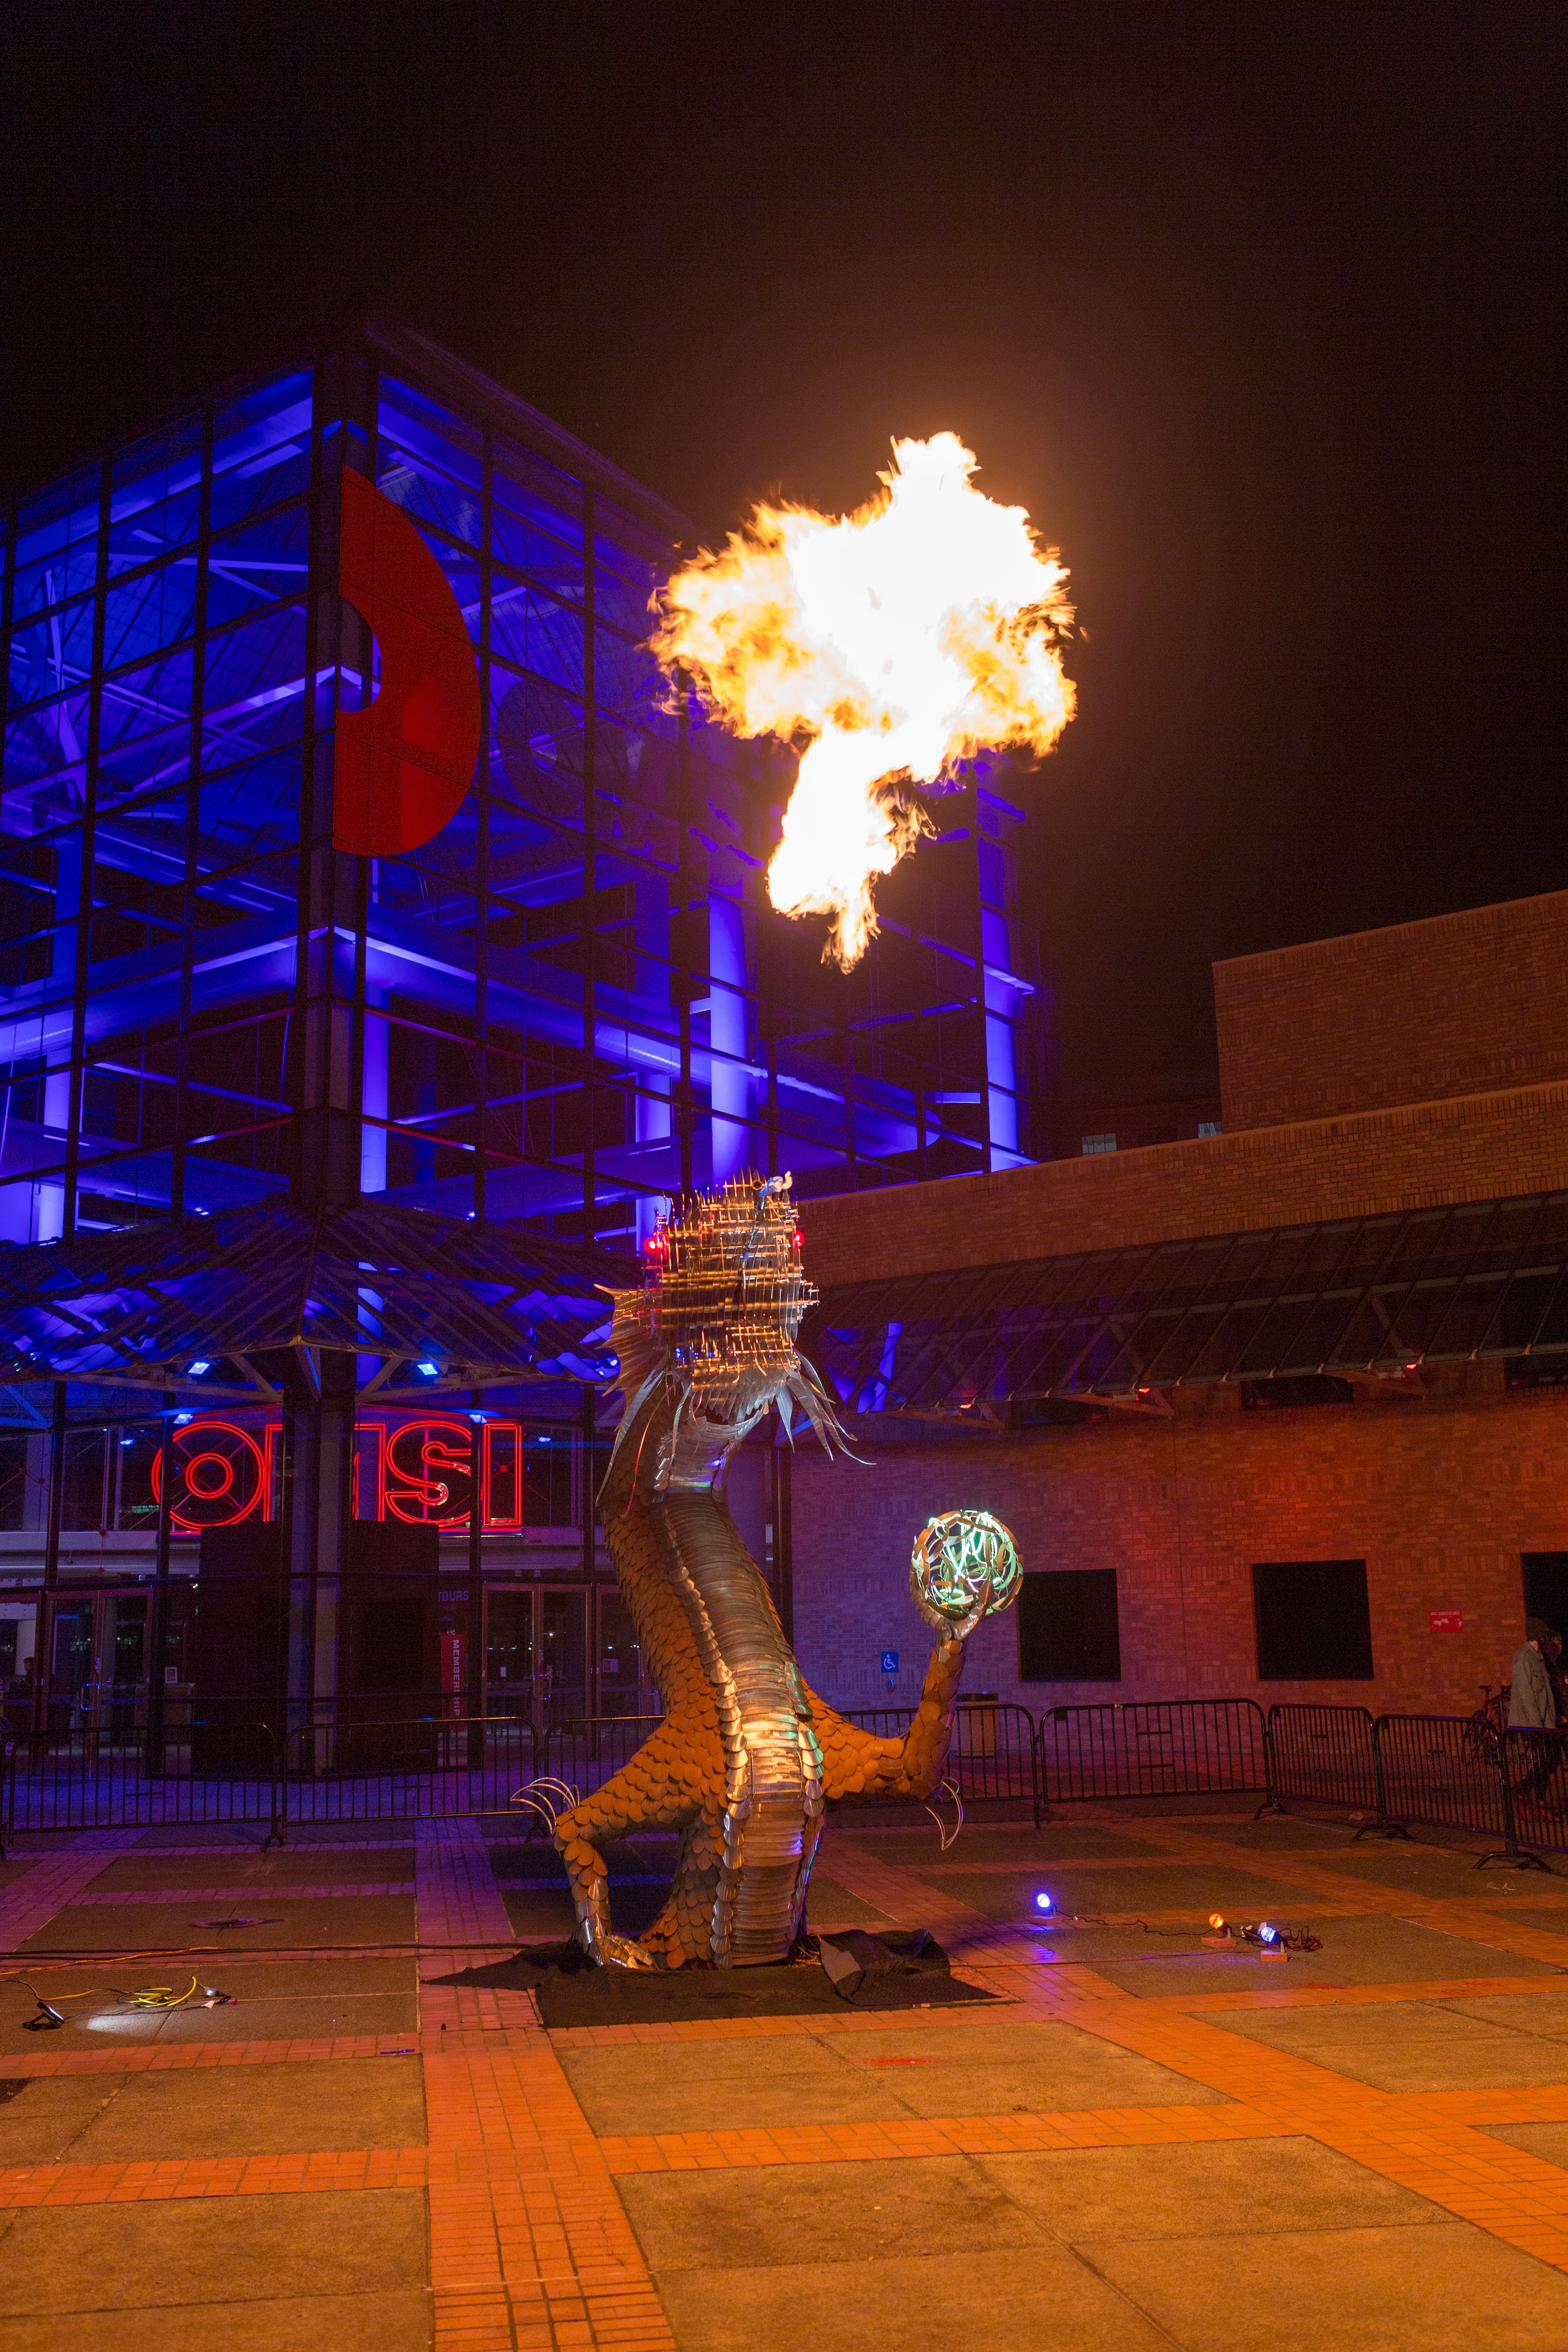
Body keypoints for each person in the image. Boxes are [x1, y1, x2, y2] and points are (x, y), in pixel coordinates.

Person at [1509, 1618, 1562, 1816]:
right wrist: (1536, 1726)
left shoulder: (1539, 1658)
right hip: (1531, 1723)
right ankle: (1520, 1790)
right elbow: (1526, 1695)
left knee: (1551, 1758)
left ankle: (1540, 1801)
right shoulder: (1524, 1658)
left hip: (1545, 1722)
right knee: (1547, 1759)